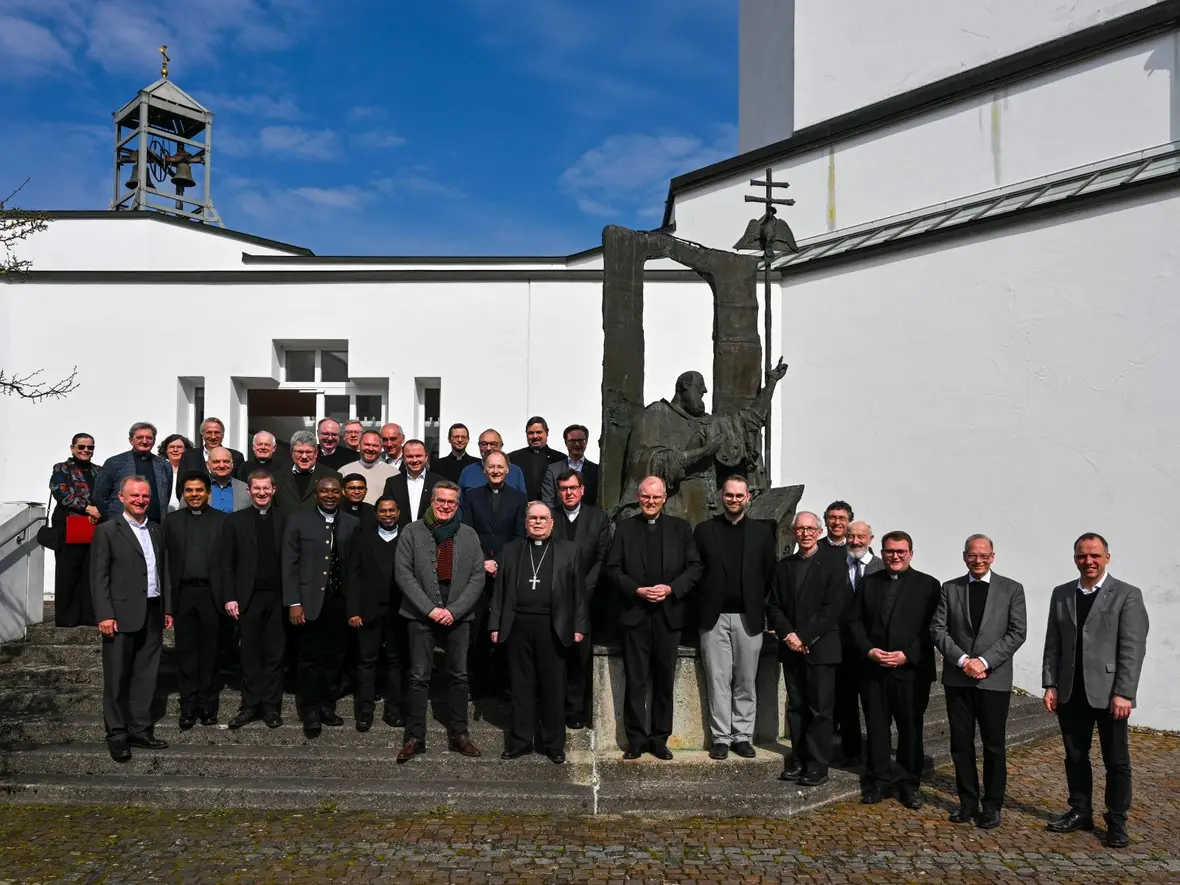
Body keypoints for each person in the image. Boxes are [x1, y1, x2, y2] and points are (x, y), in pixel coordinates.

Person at [1042, 533, 1149, 848]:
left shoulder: (1127, 595)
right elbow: (1053, 643)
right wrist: (1050, 683)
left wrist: (1125, 692)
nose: (1088, 561)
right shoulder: (1061, 594)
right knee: (1075, 755)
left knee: (1116, 760)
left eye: (1094, 556)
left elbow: (1133, 648)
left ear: (1107, 557)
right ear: (1074, 558)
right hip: (1071, 690)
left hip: (1110, 693)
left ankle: (1116, 820)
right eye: (1081, 556)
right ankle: (1080, 810)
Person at [932, 534, 1027, 829]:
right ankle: (967, 801)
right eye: (973, 555)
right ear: (964, 556)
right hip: (958, 679)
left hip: (993, 678)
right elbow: (938, 628)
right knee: (961, 743)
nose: (978, 560)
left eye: (984, 555)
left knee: (994, 744)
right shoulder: (950, 588)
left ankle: (993, 804)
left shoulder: (1012, 589)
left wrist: (983, 662)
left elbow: (1016, 632)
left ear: (993, 557)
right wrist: (963, 661)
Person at [616, 360, 787, 525]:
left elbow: (749, 421)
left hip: (711, 510)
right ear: (684, 387)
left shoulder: (709, 422)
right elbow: (647, 462)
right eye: (699, 389)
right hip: (676, 508)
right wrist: (703, 452)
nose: (704, 392)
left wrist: (771, 384)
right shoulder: (657, 415)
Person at [606, 475, 703, 760]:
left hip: (667, 616)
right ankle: (636, 740)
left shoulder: (680, 528)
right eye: (646, 497)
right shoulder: (624, 529)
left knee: (663, 682)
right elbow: (612, 569)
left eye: (656, 497)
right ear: (639, 497)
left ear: (664, 498)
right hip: (635, 616)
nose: (650, 502)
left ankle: (660, 739)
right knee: (635, 682)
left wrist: (671, 589)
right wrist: (636, 590)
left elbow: (694, 568)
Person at [394, 480, 486, 763]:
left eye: (451, 502)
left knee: (459, 675)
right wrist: (429, 609)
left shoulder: (469, 535)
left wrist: (454, 611)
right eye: (441, 501)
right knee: (419, 676)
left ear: (457, 505)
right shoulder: (412, 531)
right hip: (421, 614)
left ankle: (460, 735)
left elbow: (477, 577)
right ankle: (415, 737)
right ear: (431, 501)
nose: (446, 506)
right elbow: (403, 573)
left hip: (458, 615)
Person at [848, 530, 940, 808]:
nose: (895, 556)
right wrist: (869, 650)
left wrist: (907, 655)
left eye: (901, 551)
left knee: (910, 729)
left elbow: (934, 628)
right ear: (882, 552)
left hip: (911, 672)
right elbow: (854, 621)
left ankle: (909, 784)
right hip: (874, 669)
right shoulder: (869, 582)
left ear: (911, 553)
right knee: (876, 728)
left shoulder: (929, 585)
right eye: (889, 551)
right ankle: (878, 781)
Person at [491, 502, 588, 763]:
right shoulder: (511, 550)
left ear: (552, 523)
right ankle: (520, 741)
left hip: (553, 626)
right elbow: (499, 591)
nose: (537, 522)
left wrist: (579, 627)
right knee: (520, 686)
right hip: (518, 624)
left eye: (543, 518)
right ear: (525, 522)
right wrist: (495, 625)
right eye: (532, 518)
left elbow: (579, 593)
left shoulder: (570, 551)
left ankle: (553, 744)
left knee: (553, 687)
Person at [89, 475, 173, 761]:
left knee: (146, 675)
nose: (140, 500)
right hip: (120, 614)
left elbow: (164, 572)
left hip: (152, 610)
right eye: (134, 495)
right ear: (122, 498)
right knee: (117, 676)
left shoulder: (157, 530)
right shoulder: (108, 531)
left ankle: (140, 729)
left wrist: (167, 609)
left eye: (145, 496)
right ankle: (117, 733)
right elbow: (99, 577)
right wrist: (105, 614)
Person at [693, 475, 776, 761]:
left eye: (739, 496)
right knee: (717, 679)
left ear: (748, 498)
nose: (734, 500)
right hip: (713, 618)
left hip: (748, 617)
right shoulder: (704, 531)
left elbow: (768, 574)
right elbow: (697, 572)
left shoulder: (763, 533)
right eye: (729, 495)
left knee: (745, 680)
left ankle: (742, 736)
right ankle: (720, 738)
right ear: (721, 497)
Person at [767, 510, 847, 785]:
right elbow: (774, 605)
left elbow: (832, 609)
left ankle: (817, 764)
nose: (805, 533)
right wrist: (789, 635)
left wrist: (804, 637)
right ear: (792, 533)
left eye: (810, 529)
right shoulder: (783, 566)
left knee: (820, 711)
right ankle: (798, 760)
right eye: (800, 529)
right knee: (796, 708)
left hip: (821, 648)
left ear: (820, 532)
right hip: (791, 647)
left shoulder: (835, 565)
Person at [282, 476, 359, 737]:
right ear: (316, 494)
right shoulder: (298, 520)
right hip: (309, 602)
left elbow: (355, 568)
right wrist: (294, 602)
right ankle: (310, 710)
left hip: (339, 602)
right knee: (308, 659)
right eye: (324, 491)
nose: (330, 495)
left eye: (335, 491)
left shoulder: (351, 523)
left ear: (342, 494)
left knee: (335, 657)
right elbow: (289, 565)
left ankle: (328, 705)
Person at [221, 470, 287, 729]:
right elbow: (226, 563)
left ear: (273, 490)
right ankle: (250, 706)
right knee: (249, 654)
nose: (261, 493)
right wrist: (230, 597)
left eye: (266, 488)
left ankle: (271, 707)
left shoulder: (285, 519)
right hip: (247, 598)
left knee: (275, 655)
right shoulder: (235, 521)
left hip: (279, 598)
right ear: (249, 491)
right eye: (256, 488)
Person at [163, 472, 228, 728]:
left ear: (208, 493)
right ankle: (188, 706)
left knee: (211, 653)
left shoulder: (223, 521)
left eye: (199, 490)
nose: (194, 495)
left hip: (212, 595)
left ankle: (208, 706)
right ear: (183, 494)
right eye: (189, 490)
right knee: (187, 653)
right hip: (184, 595)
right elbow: (165, 563)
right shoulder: (172, 521)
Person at [460, 451, 526, 699]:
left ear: (508, 469)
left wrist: (498, 562)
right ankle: (476, 684)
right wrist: (483, 562)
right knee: (476, 631)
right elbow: (467, 532)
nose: (496, 470)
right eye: (491, 467)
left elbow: (520, 536)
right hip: (477, 572)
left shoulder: (519, 498)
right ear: (484, 470)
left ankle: (503, 685)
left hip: (506, 572)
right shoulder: (472, 496)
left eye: (500, 466)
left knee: (505, 628)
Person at [549, 468, 610, 729]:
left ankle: (575, 709)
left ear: (582, 490)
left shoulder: (598, 518)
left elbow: (602, 556)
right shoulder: (550, 517)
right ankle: (553, 706)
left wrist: (584, 588)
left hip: (589, 597)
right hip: (554, 597)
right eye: (563, 489)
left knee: (579, 656)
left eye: (573, 488)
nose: (569, 493)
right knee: (554, 655)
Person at [346, 496, 407, 730]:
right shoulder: (362, 538)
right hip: (368, 611)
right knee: (366, 662)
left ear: (399, 512)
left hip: (399, 612)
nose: (388, 515)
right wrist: (353, 610)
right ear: (376, 514)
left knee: (396, 662)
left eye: (392, 510)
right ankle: (364, 711)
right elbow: (353, 576)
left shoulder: (407, 538)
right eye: (383, 511)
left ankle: (394, 710)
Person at [836, 519, 881, 766]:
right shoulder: (836, 566)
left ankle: (875, 752)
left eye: (861, 537)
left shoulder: (882, 568)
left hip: (871, 648)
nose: (855, 541)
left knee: (873, 705)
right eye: (851, 536)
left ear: (870, 539)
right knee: (846, 703)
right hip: (842, 646)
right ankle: (850, 750)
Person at [49, 433, 101, 627]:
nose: (85, 450)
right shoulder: (62, 468)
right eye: (81, 447)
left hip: (93, 525)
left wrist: (100, 510)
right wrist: (88, 508)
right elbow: (60, 492)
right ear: (72, 448)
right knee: (68, 570)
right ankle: (67, 617)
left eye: (90, 447)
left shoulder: (99, 470)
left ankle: (89, 615)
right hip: (69, 524)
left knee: (90, 569)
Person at [92, 422, 173, 524]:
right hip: (122, 525)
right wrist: (113, 518)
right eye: (140, 437)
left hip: (155, 524)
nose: (144, 441)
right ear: (131, 440)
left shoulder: (164, 465)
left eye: (149, 438)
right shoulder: (114, 463)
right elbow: (99, 496)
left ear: (154, 441)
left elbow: (166, 494)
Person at [273, 430, 342, 512]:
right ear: (291, 453)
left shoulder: (333, 476)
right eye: (299, 452)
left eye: (308, 452)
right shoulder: (277, 477)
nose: (304, 456)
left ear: (316, 453)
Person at [383, 439, 443, 528]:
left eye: (418, 456)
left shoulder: (439, 482)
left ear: (426, 457)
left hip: (431, 536)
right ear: (403, 458)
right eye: (410, 456)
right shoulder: (392, 482)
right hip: (401, 536)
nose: (414, 460)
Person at [540, 423, 600, 508]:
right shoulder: (553, 470)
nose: (577, 444)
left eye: (580, 440)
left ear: (586, 441)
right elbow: (547, 500)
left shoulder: (596, 470)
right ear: (565, 442)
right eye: (572, 441)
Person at [508, 416, 566, 502]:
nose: (535, 436)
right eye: (531, 433)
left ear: (547, 432)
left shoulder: (560, 458)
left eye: (539, 432)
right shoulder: (513, 458)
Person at [458, 429, 527, 495]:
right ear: (479, 446)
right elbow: (459, 503)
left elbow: (522, 502)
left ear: (501, 446)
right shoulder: (468, 472)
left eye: (493, 444)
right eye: (484, 444)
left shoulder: (515, 471)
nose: (488, 448)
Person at [338, 431, 397, 504]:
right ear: (359, 445)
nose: (370, 449)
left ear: (381, 448)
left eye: (375, 445)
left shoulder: (393, 473)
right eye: (367, 444)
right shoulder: (344, 471)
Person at [180, 417, 245, 478]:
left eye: (217, 432)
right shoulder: (188, 456)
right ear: (202, 435)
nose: (213, 437)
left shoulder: (236, 457)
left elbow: (240, 485)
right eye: (209, 432)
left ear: (223, 435)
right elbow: (181, 485)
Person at [206, 446, 251, 513]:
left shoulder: (245, 489)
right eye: (216, 462)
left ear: (232, 464)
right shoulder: (198, 488)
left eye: (226, 461)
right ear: (208, 465)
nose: (222, 466)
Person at [158, 433, 193, 511]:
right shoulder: (159, 469)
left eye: (179, 447)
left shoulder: (192, 469)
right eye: (172, 447)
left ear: (186, 450)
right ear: (166, 450)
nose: (175, 450)